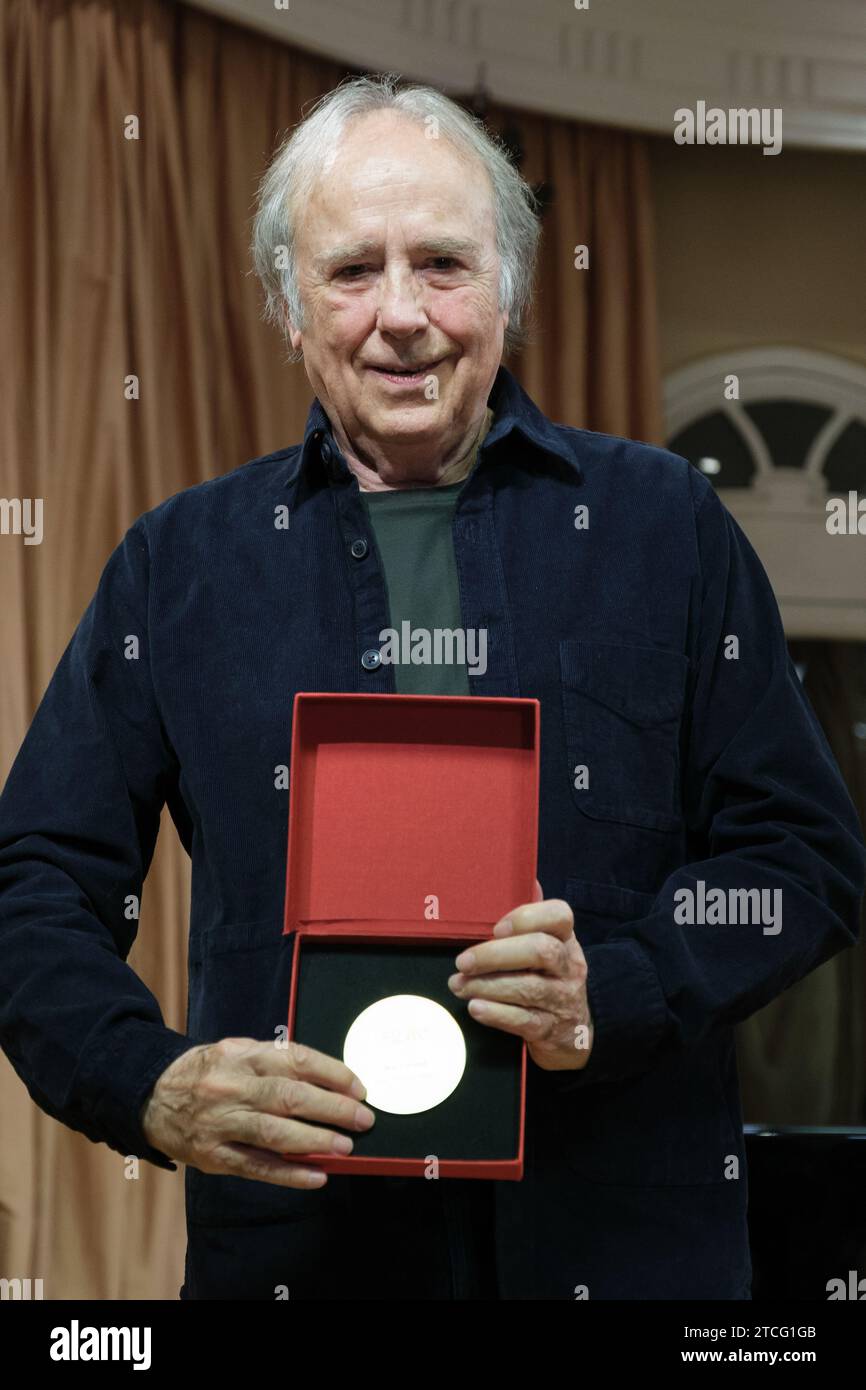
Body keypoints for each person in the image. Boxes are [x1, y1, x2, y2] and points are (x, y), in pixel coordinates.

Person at [0, 73, 862, 1301]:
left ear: (506, 290)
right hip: (304, 1264)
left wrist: (612, 992)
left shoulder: (659, 526)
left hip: (621, 1257)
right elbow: (31, 884)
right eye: (352, 271)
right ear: (289, 308)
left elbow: (802, 862)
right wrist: (143, 1078)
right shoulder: (176, 566)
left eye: (442, 264)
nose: (399, 315)